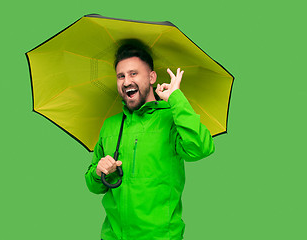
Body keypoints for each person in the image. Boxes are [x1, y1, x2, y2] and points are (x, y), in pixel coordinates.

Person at [85, 39, 215, 240]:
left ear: (152, 77)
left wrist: (176, 98)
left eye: (133, 73)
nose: (126, 81)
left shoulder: (170, 118)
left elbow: (201, 148)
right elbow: (94, 186)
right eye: (121, 76)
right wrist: (99, 171)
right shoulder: (110, 125)